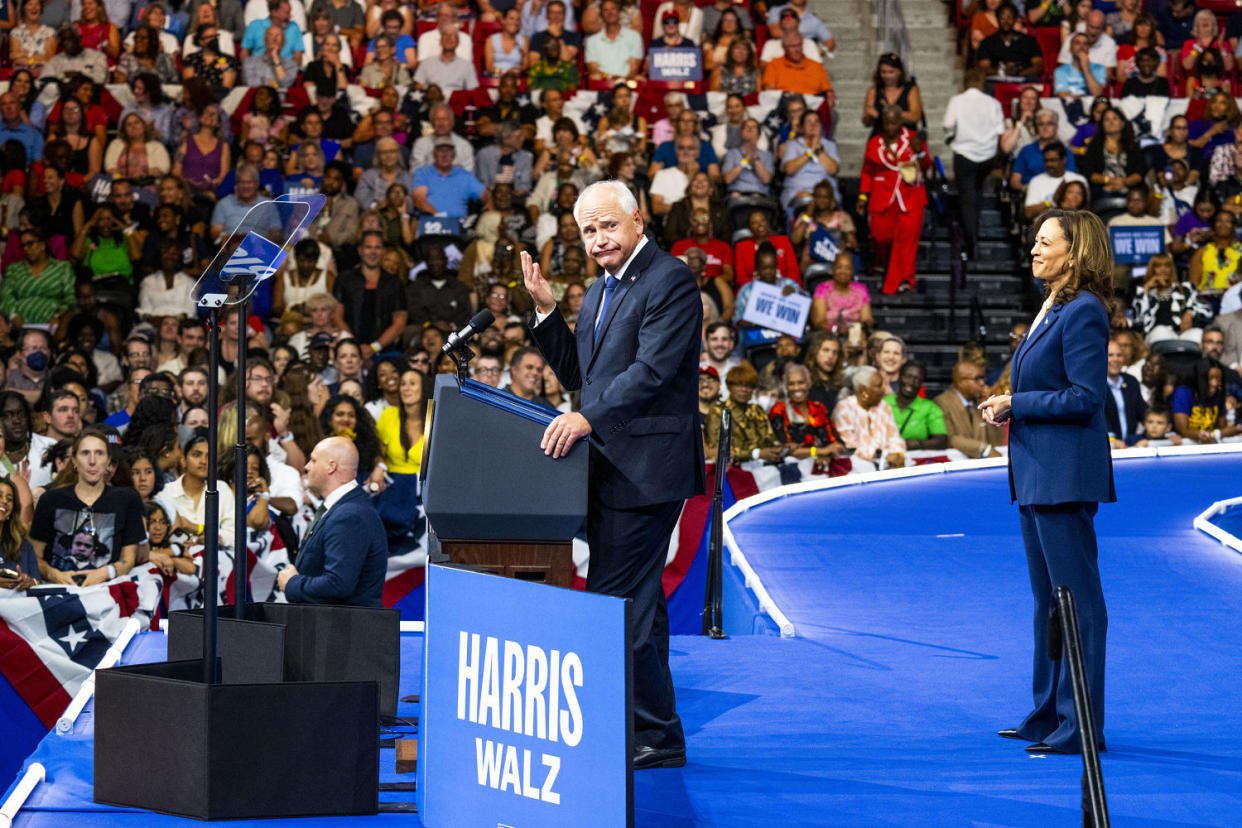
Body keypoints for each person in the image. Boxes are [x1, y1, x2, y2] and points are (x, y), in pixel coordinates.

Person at [520, 179, 703, 770]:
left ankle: (634, 731)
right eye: (588, 231)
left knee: (613, 602)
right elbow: (585, 375)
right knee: (637, 608)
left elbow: (650, 373)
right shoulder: (599, 291)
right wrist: (548, 313)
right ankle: (656, 733)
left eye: (607, 226)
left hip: (648, 470)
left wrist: (584, 418)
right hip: (609, 468)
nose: (598, 239)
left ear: (638, 221)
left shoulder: (669, 279)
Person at [980, 208, 1114, 755]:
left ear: (1074, 253)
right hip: (1037, 475)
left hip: (1062, 477)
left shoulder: (1084, 311)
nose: (1033, 249)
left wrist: (1017, 403)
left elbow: (1086, 396)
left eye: (1044, 242)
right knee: (1047, 604)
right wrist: (1013, 405)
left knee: (1078, 603)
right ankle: (1049, 713)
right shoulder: (1052, 306)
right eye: (1034, 241)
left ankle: (1083, 724)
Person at [276, 436, 387, 606]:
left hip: (344, 629)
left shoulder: (350, 515)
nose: (306, 467)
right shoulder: (344, 508)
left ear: (331, 466)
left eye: (313, 460)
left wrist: (293, 584)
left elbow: (338, 584)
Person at [31, 427, 145, 585]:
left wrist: (104, 573)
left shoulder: (127, 499)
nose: (92, 461)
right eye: (85, 453)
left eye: (99, 453)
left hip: (107, 592)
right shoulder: (50, 500)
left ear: (108, 461)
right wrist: (54, 575)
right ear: (74, 461)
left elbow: (129, 559)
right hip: (59, 592)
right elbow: (34, 557)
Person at [859, 105, 932, 294]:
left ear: (901, 121)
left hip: (911, 196)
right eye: (887, 122)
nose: (890, 126)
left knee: (908, 241)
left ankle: (906, 279)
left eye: (894, 122)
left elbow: (926, 165)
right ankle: (883, 264)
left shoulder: (913, 138)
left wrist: (920, 152)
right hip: (882, 195)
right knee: (880, 236)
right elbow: (867, 171)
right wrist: (862, 195)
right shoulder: (874, 142)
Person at [831, 365, 905, 469]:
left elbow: (895, 437)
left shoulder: (884, 406)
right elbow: (850, 445)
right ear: (863, 389)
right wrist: (883, 455)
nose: (883, 389)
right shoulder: (844, 408)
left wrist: (898, 455)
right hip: (854, 466)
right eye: (878, 386)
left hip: (886, 462)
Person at [934, 361, 1004, 458]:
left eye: (982, 378)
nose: (982, 383)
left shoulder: (980, 401)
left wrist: (991, 408)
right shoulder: (942, 402)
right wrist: (985, 449)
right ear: (960, 382)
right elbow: (950, 439)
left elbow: (997, 442)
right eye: (977, 379)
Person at [885, 361, 947, 451]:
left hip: (916, 460)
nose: (911, 382)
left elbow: (941, 441)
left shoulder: (930, 408)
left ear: (922, 383)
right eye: (907, 376)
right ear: (899, 376)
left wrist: (917, 444)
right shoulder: (883, 404)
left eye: (917, 379)